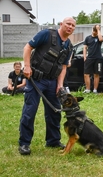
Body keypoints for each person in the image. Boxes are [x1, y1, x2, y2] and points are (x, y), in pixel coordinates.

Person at [18, 17, 76, 155]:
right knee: (30, 111)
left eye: (73, 25)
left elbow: (63, 67)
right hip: (36, 79)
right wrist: (26, 66)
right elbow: (28, 47)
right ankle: (24, 143)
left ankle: (53, 141)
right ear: (61, 24)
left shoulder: (68, 45)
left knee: (54, 112)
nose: (70, 27)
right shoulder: (46, 34)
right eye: (68, 24)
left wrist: (60, 85)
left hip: (52, 82)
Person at [83, 24, 103, 94]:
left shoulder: (99, 37)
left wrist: (98, 30)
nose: (95, 32)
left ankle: (95, 90)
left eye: (96, 31)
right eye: (94, 30)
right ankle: (88, 89)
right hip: (89, 58)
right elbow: (85, 47)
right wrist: (85, 57)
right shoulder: (87, 38)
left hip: (98, 59)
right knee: (86, 74)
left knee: (96, 74)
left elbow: (101, 39)